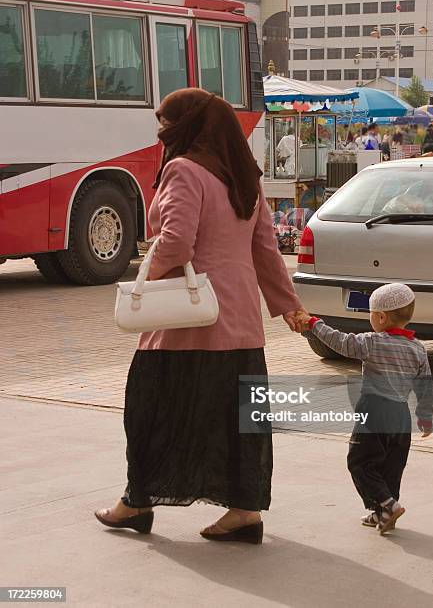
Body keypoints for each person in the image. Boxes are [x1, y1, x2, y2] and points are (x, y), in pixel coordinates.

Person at [95, 88, 305, 543]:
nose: (161, 132)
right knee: (237, 420)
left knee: (151, 412)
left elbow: (177, 243)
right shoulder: (244, 175)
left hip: (187, 320)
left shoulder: (183, 169)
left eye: (166, 123)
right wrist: (288, 306)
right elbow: (266, 249)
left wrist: (146, 278)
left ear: (186, 127)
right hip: (240, 324)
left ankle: (136, 502)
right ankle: (244, 512)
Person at [300, 284, 433, 534]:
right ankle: (381, 511)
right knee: (391, 466)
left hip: (374, 411)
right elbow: (424, 385)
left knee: (360, 462)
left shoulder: (371, 342)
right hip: (400, 416)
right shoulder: (418, 349)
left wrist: (314, 323)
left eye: (370, 314)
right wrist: (425, 416)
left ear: (381, 317)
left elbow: (339, 342)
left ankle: (387, 505)